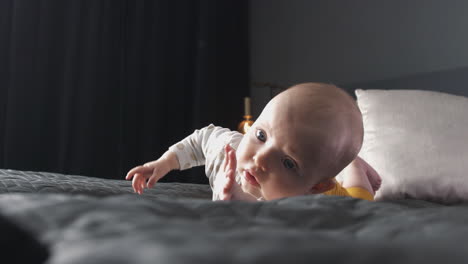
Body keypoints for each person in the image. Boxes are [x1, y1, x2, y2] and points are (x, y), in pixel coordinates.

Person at [125, 83, 381, 201]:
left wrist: (234, 204)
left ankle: (354, 167)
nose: (260, 158)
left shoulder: (315, 205)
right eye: (261, 136)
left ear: (315, 187)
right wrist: (164, 162)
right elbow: (201, 138)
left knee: (359, 199)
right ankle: (353, 164)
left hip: (334, 193)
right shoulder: (229, 151)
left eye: (288, 163)